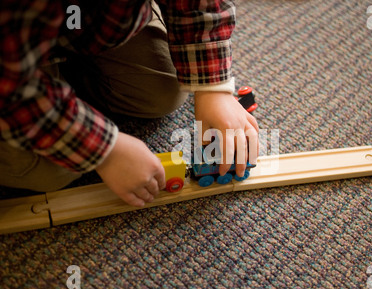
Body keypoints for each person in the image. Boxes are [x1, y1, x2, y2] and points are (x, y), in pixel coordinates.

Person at [0, 0, 259, 207]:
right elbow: (11, 86)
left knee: (164, 92)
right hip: (11, 60)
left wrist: (212, 88)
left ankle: (64, 84)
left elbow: (197, 5)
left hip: (94, 24)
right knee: (49, 171)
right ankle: (56, 95)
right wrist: (104, 150)